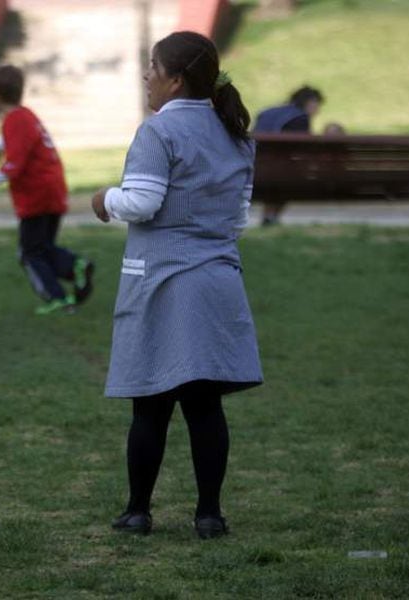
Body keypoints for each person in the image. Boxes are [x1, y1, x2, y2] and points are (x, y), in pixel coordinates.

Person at [90, 31, 263, 539]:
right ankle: (209, 515)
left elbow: (142, 203)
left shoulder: (157, 133)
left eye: (151, 67)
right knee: (205, 406)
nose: (146, 76)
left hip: (163, 282)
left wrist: (105, 199)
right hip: (216, 281)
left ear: (175, 79)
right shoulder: (235, 133)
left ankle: (138, 511)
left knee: (151, 403)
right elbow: (239, 219)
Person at [0, 65, 94, 315]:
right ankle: (76, 268)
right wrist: (1, 144)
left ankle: (58, 297)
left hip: (37, 195)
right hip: (52, 189)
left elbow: (12, 168)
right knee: (42, 248)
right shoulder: (25, 115)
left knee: (29, 253)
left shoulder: (14, 120)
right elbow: (24, 141)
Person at [254, 85, 324, 225]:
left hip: (257, 164)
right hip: (280, 169)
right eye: (317, 104)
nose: (318, 109)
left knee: (280, 177)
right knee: (290, 177)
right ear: (310, 102)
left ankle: (269, 217)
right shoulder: (300, 118)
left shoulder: (269, 112)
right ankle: (272, 217)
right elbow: (303, 148)